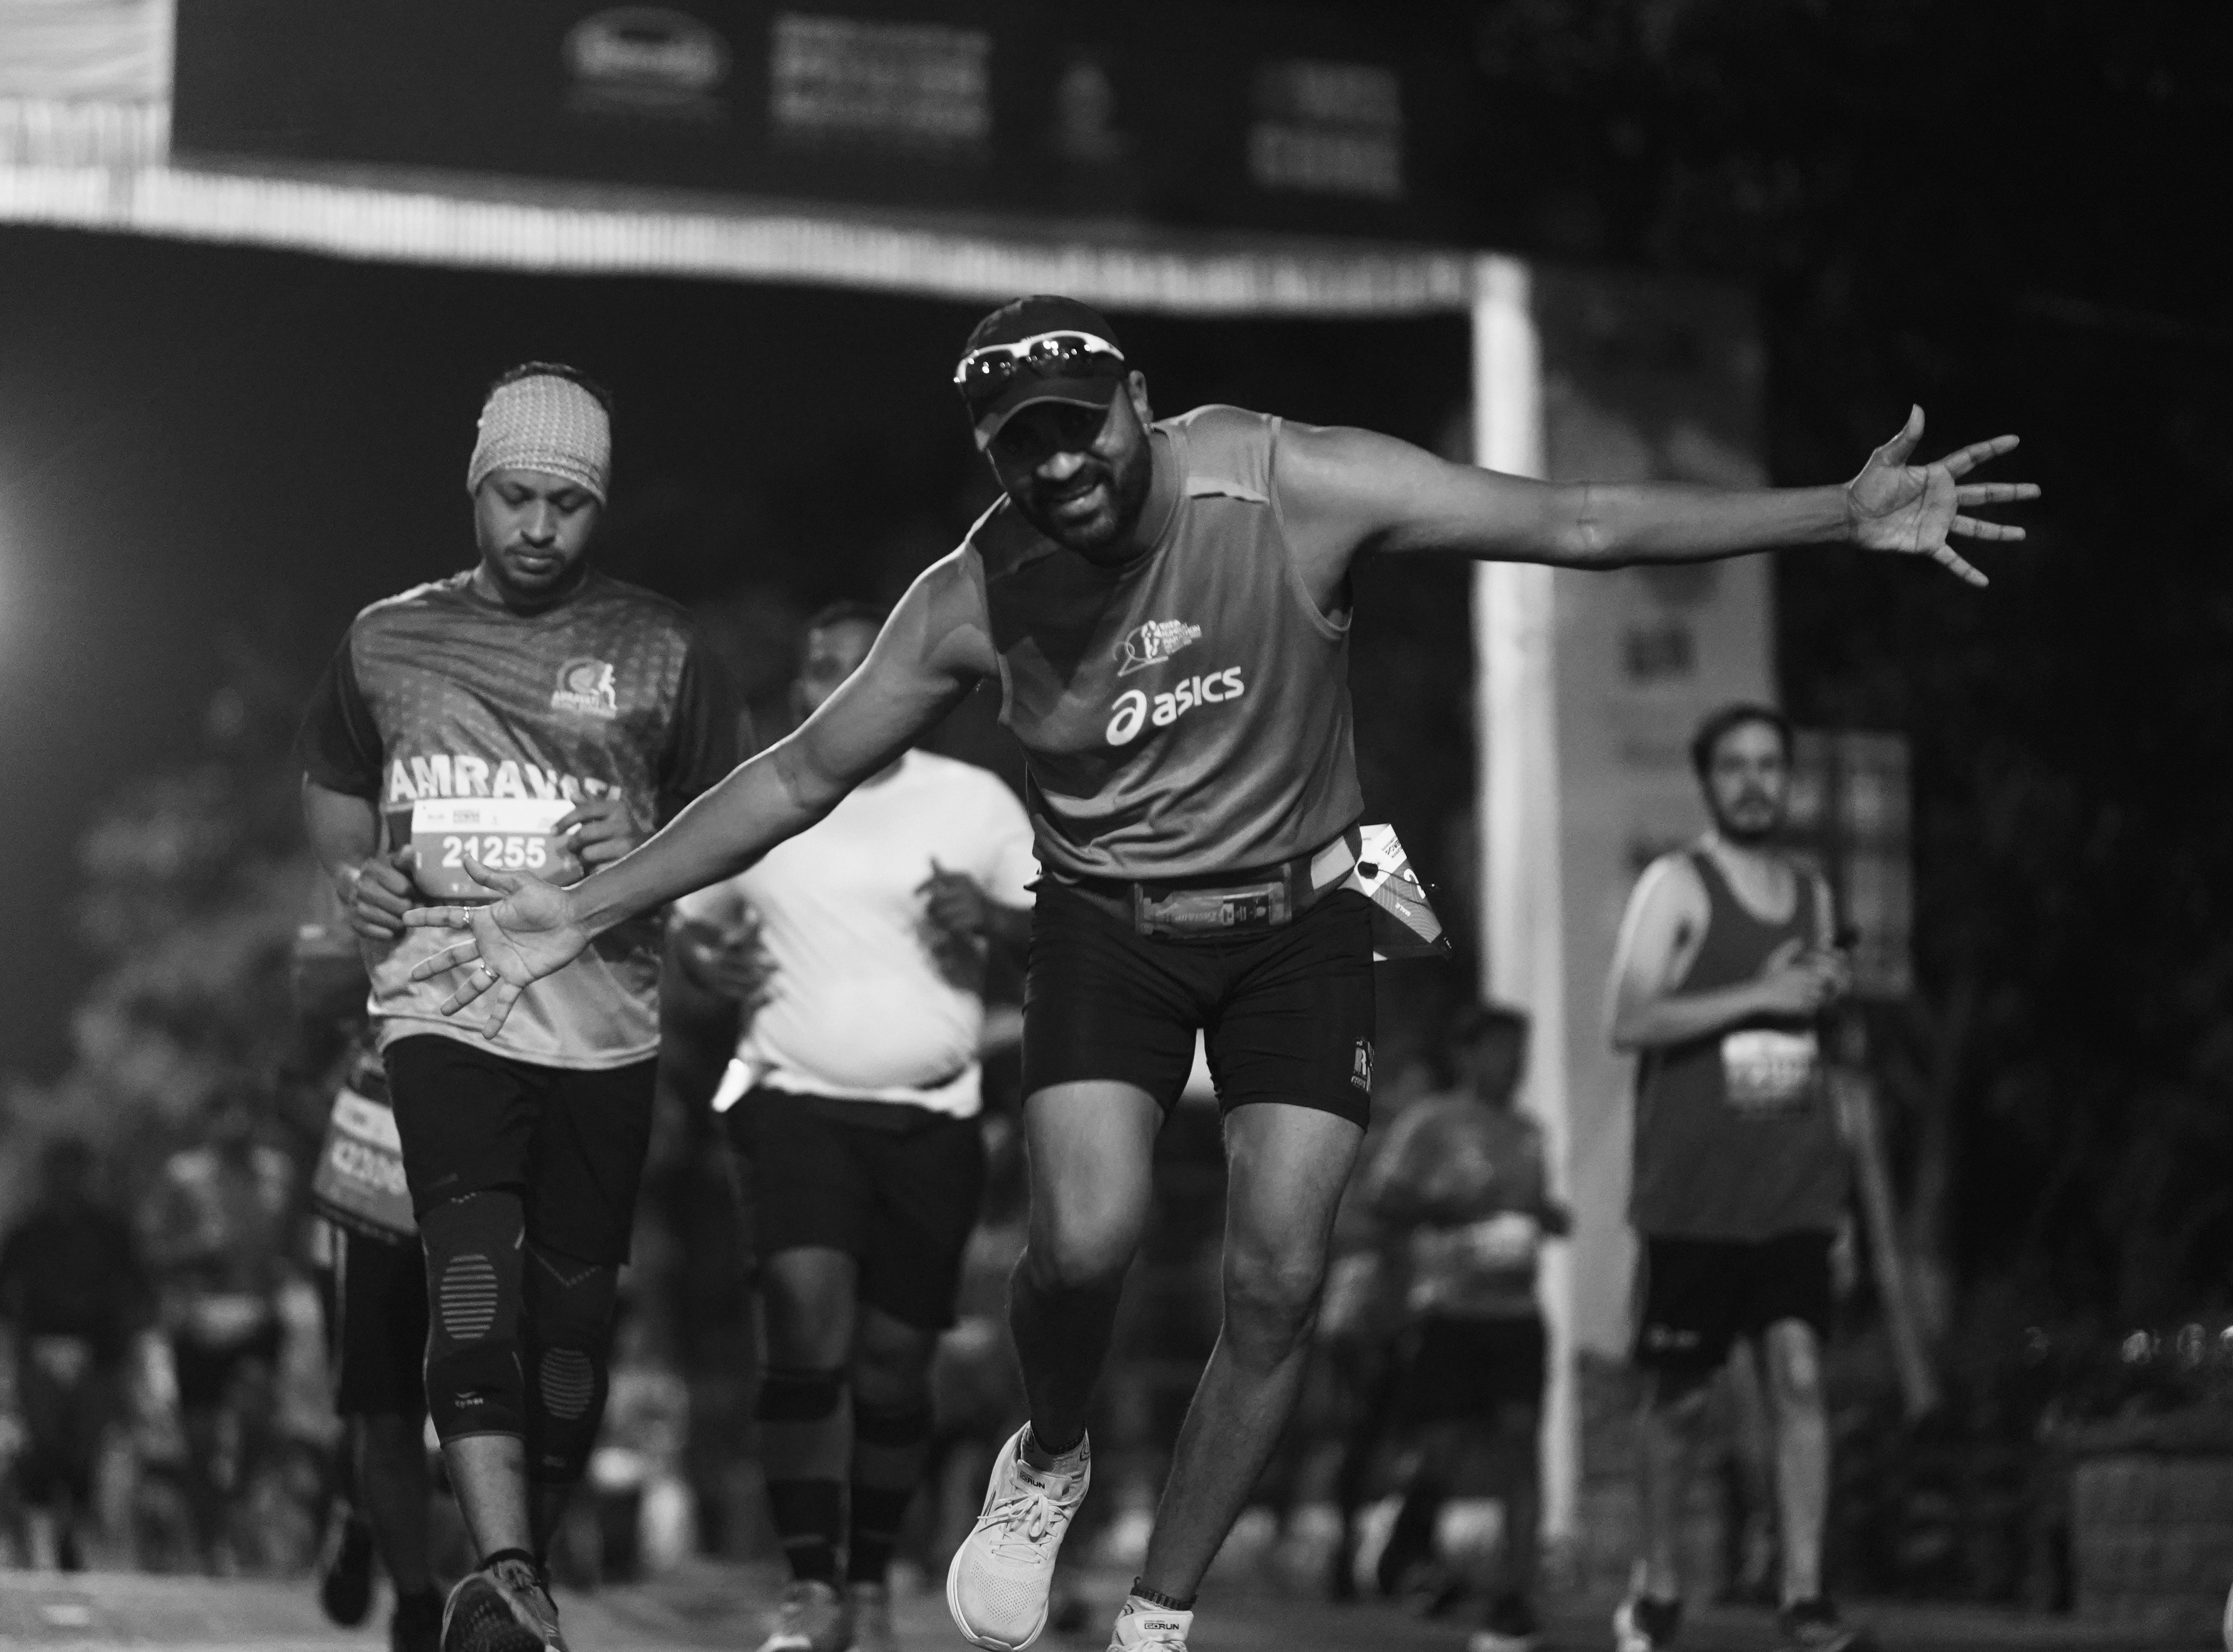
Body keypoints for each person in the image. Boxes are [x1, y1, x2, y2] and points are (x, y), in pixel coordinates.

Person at [399, 297, 2035, 1652]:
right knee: (1082, 1243)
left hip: (1298, 923)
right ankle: (1047, 1447)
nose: (1062, 466)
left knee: (1273, 1278)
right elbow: (793, 774)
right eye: (1021, 447)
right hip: (1110, 927)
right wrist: (579, 902)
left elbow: (1580, 519)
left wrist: (1836, 509)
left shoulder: (1288, 483)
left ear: (1136, 402)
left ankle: (1155, 1616)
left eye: (1080, 424)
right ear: (995, 465)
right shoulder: (974, 591)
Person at [296, 363, 747, 1652]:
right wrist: (355, 880)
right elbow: (333, 774)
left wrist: (652, 832)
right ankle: (490, 1568)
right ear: (475, 487)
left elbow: (741, 822)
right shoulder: (387, 637)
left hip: (603, 1018)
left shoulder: (665, 646)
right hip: (442, 998)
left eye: (567, 504)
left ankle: (520, 1572)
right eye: (515, 497)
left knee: (573, 1325)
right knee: (473, 1279)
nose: (539, 529)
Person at [670, 600, 1037, 1652]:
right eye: (818, 664)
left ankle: (870, 1571)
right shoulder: (763, 800)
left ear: (905, 681)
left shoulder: (970, 802)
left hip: (932, 1119)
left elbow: (1058, 930)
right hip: (791, 1104)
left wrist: (994, 920)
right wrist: (707, 964)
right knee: (802, 1320)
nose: (837, 681)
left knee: (889, 1363)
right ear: (795, 689)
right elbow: (689, 934)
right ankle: (808, 1587)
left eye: (859, 663)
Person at [1604, 705, 1869, 1652]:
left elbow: (1815, 1040)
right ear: (1708, 781)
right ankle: (1659, 1582)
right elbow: (1629, 1021)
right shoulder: (1676, 885)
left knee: (1800, 1375)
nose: (1756, 781)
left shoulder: (1815, 894)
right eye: (1737, 766)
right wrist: (1760, 991)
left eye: (1770, 765)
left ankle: (1805, 1593)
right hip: (1694, 1193)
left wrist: (1823, 1004)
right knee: (1679, 1399)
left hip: (1794, 1186)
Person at [1359, 1004, 1564, 1652]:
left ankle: (1514, 1596)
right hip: (1448, 1310)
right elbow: (1381, 1199)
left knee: (1519, 1442)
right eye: (1501, 1049)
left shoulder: (1529, 1132)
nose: (1514, 1064)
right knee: (1442, 1448)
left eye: (1521, 1051)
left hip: (1517, 1313)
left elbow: (1534, 1208)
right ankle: (1407, 1547)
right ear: (1469, 1054)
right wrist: (1450, 1206)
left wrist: (1547, 1219)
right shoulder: (1432, 1123)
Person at [294, 907, 446, 1652]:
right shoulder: (375, 839)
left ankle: (507, 1571)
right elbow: (311, 973)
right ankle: (413, 1592)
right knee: (377, 1406)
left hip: (499, 1147)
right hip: (376, 1170)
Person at [141, 1090, 297, 1574]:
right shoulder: (182, 1177)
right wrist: (196, 1251)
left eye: (247, 1110)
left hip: (258, 1316)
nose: (238, 1121)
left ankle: (241, 1504)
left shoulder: (280, 1175)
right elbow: (152, 1249)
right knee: (201, 1438)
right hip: (200, 1318)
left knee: (257, 1420)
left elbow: (293, 1244)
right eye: (226, 1112)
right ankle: (209, 1537)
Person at [0, 1135, 151, 1572]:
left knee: (84, 1450)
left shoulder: (112, 1233)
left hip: (97, 1352)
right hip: (41, 1348)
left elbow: (139, 1288)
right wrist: (24, 1331)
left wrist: (120, 1333)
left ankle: (71, 1531)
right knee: (45, 1446)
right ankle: (38, 1531)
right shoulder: (27, 1232)